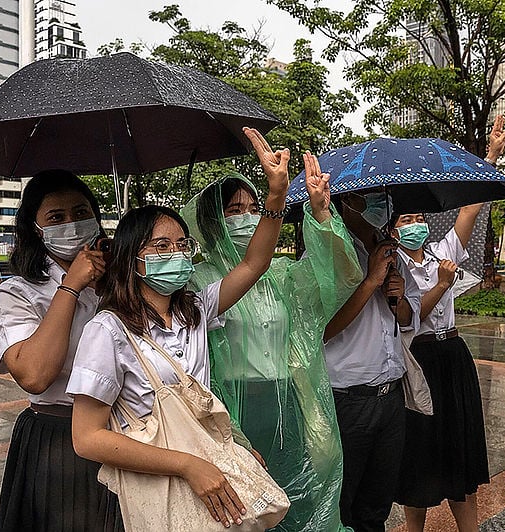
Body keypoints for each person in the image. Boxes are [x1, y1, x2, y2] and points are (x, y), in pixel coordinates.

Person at [67, 127, 289, 528]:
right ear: (132, 258)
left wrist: (275, 196)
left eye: (182, 244)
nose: (176, 253)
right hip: (162, 483)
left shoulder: (197, 309)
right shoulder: (109, 330)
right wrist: (188, 465)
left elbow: (254, 264)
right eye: (161, 246)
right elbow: (87, 438)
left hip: (211, 468)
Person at [180, 151, 362, 531]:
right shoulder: (200, 280)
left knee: (295, 499)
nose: (247, 217)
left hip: (285, 403)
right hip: (230, 408)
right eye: (234, 210)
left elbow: (343, 275)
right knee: (243, 505)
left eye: (253, 207)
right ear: (214, 222)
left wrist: (322, 212)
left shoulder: (280, 275)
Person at [391, 114, 505, 532]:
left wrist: (490, 155)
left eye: (419, 218)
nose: (416, 224)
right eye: (406, 221)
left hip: (452, 354)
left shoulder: (443, 248)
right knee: (419, 453)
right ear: (392, 229)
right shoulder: (392, 266)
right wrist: (441, 285)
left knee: (461, 449)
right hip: (419, 359)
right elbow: (409, 317)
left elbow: (470, 211)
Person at [0, 169, 121, 531]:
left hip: (129, 433)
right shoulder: (17, 293)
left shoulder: (119, 283)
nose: (72, 224)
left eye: (81, 213)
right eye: (56, 218)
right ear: (36, 228)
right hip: (59, 441)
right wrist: (72, 285)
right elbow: (34, 375)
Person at [322, 187, 422, 532]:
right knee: (342, 504)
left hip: (391, 398)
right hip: (348, 403)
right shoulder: (331, 254)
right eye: (369, 197)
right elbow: (321, 330)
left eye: (383, 197)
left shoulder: (392, 254)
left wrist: (397, 295)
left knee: (377, 505)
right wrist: (370, 281)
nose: (379, 205)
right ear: (346, 202)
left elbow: (410, 318)